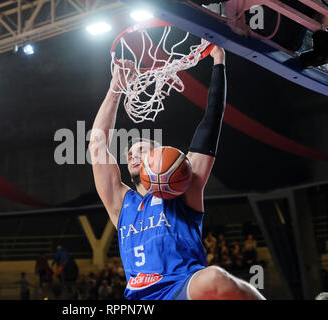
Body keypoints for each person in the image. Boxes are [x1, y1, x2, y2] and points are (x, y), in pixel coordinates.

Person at [89, 44, 265, 300]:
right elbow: (97, 145)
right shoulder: (121, 203)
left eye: (142, 149)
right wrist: (115, 88)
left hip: (182, 289)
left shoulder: (184, 187)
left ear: (161, 158)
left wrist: (218, 62)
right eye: (130, 152)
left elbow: (210, 123)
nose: (132, 154)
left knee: (215, 277)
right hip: (139, 299)